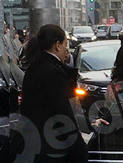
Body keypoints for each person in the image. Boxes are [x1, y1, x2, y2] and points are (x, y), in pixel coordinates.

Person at [11, 24, 87, 162]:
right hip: (49, 147)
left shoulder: (35, 67)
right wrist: (79, 150)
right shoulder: (53, 72)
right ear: (57, 45)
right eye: (65, 44)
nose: (66, 49)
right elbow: (63, 113)